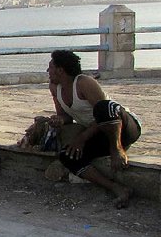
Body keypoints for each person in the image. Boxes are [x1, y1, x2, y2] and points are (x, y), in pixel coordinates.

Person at [47, 50, 140, 208]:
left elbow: (104, 113)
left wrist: (81, 139)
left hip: (123, 127)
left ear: (60, 70)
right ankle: (116, 188)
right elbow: (65, 116)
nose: (48, 71)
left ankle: (117, 148)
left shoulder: (83, 82)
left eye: (50, 67)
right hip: (98, 135)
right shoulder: (55, 88)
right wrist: (59, 120)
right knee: (67, 156)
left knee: (103, 108)